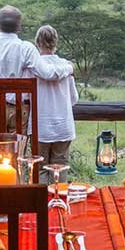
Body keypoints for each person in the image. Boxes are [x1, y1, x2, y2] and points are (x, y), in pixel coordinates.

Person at [0, 5, 72, 134]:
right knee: (17, 151)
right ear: (19, 26)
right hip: (19, 110)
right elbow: (47, 73)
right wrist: (69, 68)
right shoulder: (26, 48)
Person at [31, 25, 78, 167]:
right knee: (61, 166)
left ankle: (43, 190)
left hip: (40, 126)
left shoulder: (33, 66)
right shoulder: (66, 66)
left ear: (37, 43)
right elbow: (73, 98)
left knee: (40, 168)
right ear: (55, 42)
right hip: (63, 125)